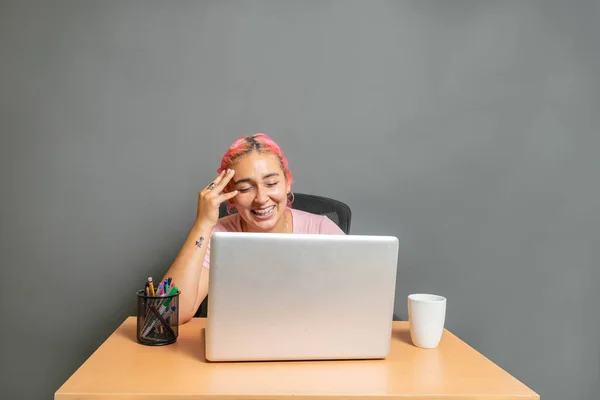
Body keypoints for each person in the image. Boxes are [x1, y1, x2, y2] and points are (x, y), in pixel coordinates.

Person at [163, 133, 345, 323]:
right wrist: (202, 224)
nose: (261, 198)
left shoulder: (321, 229)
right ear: (230, 195)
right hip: (239, 344)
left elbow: (354, 300)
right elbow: (168, 315)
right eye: (245, 189)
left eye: (271, 183)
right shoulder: (217, 235)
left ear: (287, 184)